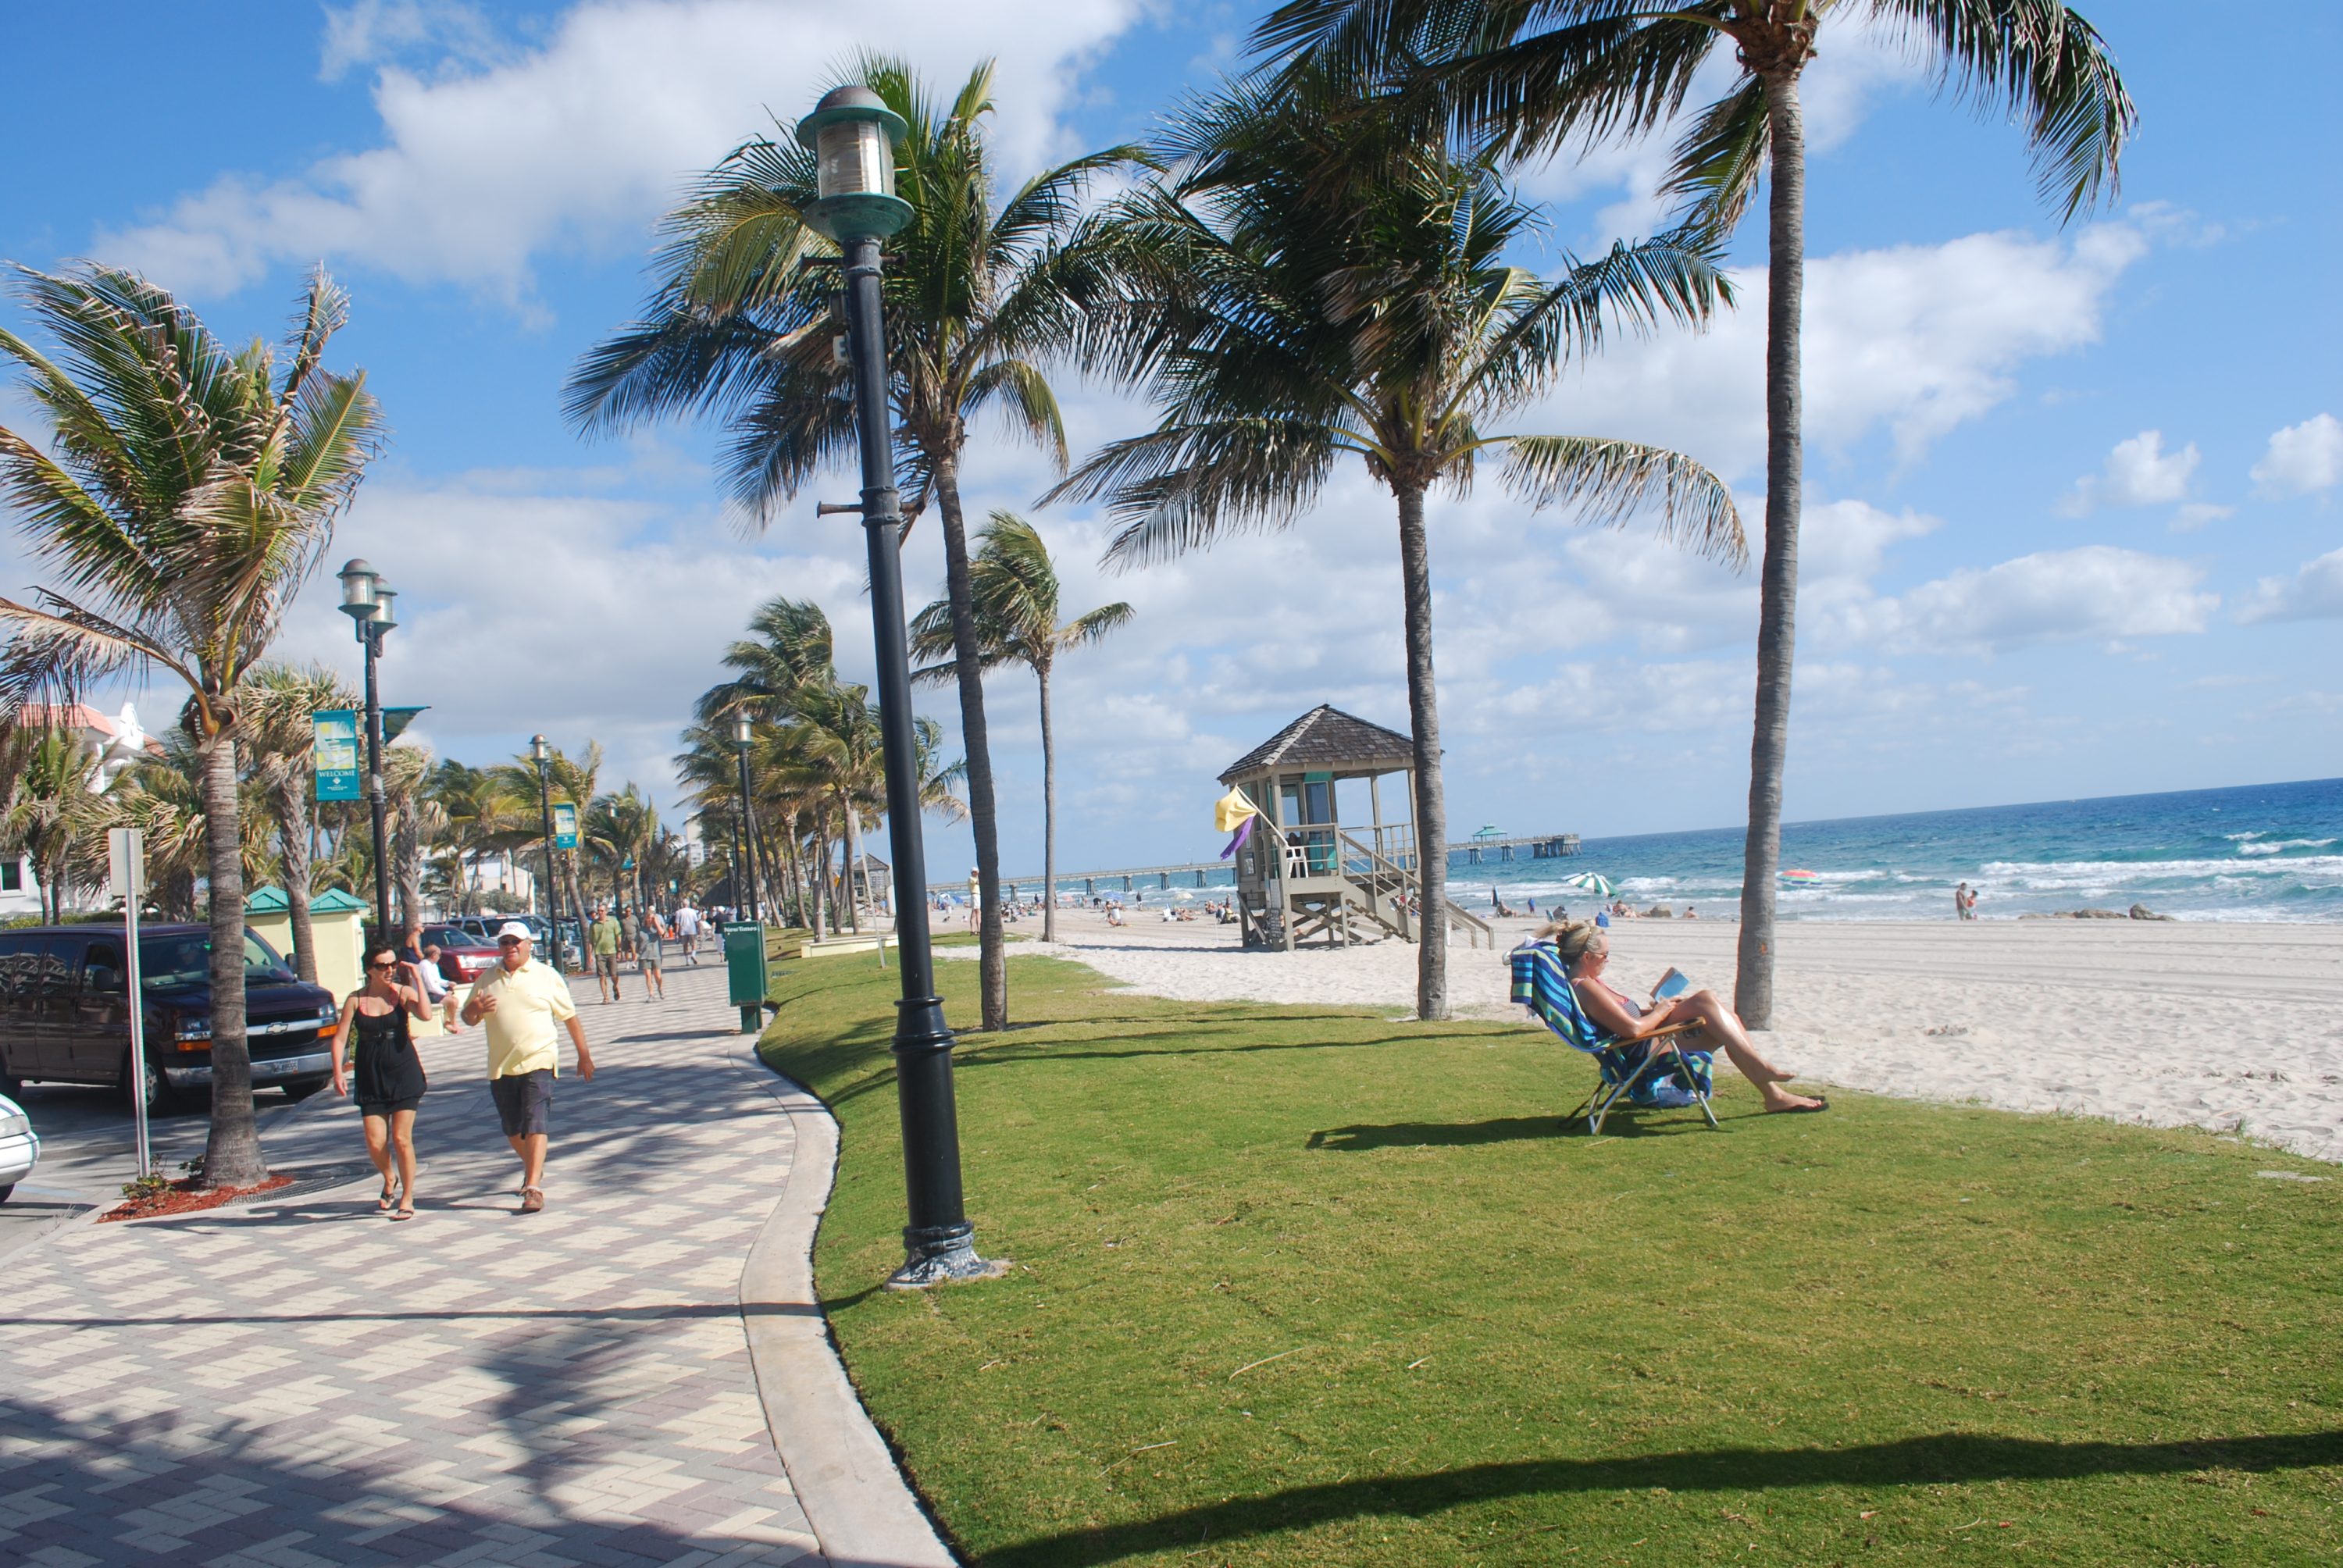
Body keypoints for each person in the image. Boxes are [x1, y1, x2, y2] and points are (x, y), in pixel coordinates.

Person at [1539, 920, 1826, 1114]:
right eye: (1605, 955)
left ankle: (1773, 1094)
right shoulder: (1586, 987)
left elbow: (1626, 1022)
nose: (1608, 960)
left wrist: (1657, 1008)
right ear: (1587, 957)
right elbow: (1633, 1030)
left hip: (1647, 1041)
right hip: (1642, 1053)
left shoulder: (1592, 983)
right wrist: (1662, 1011)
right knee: (1706, 1001)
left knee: (1721, 1017)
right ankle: (1767, 1081)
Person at [461, 922, 594, 1213]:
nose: (510, 947)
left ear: (528, 945)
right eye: (505, 942)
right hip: (501, 1065)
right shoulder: (487, 979)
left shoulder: (546, 976)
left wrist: (583, 1055)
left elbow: (569, 1017)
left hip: (540, 1060)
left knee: (536, 1121)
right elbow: (468, 1017)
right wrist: (476, 1010)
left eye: (515, 942)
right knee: (512, 1128)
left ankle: (533, 1187)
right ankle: (534, 1166)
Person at [330, 945, 435, 1221]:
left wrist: (417, 978)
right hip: (370, 1074)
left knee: (402, 1139)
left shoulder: (402, 993)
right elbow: (340, 1038)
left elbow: (426, 1014)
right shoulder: (356, 1000)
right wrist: (338, 1072)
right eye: (382, 966)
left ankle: (408, 1197)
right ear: (369, 970)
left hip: (403, 1071)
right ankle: (390, 1177)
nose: (389, 970)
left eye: (392, 965)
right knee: (375, 1141)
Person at [417, 942, 462, 1032]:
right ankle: (452, 1023)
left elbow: (437, 980)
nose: (440, 957)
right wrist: (445, 994)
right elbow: (430, 986)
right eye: (439, 955)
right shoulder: (424, 966)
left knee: (454, 1000)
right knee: (452, 1001)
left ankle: (449, 1022)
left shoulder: (433, 965)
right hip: (427, 995)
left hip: (433, 993)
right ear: (434, 955)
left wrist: (448, 983)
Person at [588, 903, 622, 1002]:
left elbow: (618, 937)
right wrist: (589, 955)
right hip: (599, 952)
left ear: (606, 911)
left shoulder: (613, 922)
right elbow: (590, 941)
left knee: (614, 975)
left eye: (602, 911)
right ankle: (605, 997)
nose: (600, 912)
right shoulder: (594, 924)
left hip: (612, 951)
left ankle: (615, 987)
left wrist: (619, 951)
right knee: (602, 976)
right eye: (598, 910)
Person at [637, 906, 667, 1002]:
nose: (649, 920)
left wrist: (656, 923)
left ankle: (660, 988)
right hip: (644, 955)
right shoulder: (641, 930)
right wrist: (637, 952)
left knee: (658, 976)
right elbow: (638, 942)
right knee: (648, 976)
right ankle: (651, 994)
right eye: (648, 918)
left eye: (651, 918)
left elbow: (662, 934)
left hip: (656, 955)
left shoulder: (656, 928)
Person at [673, 899, 701, 964]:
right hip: (692, 930)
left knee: (685, 946)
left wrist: (677, 933)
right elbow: (696, 921)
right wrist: (699, 929)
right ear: (688, 904)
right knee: (694, 944)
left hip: (683, 931)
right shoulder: (693, 911)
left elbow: (677, 924)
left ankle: (687, 961)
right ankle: (693, 955)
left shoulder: (678, 912)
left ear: (682, 904)